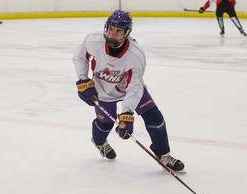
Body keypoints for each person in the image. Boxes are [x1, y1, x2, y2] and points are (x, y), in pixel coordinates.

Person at [72, 10, 185, 172]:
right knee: (105, 124)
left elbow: (134, 87)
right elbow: (79, 58)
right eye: (111, 29)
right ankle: (99, 143)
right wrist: (83, 80)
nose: (113, 34)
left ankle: (164, 155)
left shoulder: (135, 55)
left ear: (127, 33)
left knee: (155, 118)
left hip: (129, 89)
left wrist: (127, 114)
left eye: (119, 31)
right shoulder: (93, 41)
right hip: (103, 90)